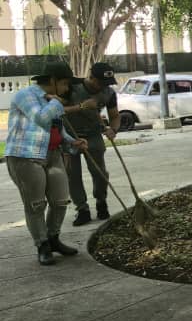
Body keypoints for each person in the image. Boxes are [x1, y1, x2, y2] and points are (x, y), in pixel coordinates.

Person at [6, 63, 87, 265]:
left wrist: (70, 141)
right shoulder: (26, 96)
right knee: (36, 204)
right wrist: (56, 103)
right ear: (52, 80)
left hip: (53, 154)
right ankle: (42, 244)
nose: (67, 89)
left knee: (60, 200)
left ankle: (53, 238)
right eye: (65, 83)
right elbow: (41, 119)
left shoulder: (53, 101)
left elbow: (55, 128)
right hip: (25, 157)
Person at [64, 62, 121, 226]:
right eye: (101, 83)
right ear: (91, 77)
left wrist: (113, 130)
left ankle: (101, 201)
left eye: (107, 84)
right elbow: (58, 108)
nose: (104, 87)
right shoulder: (71, 86)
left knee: (100, 173)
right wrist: (81, 107)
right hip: (70, 136)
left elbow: (115, 116)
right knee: (72, 175)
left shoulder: (109, 94)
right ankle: (82, 209)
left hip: (94, 135)